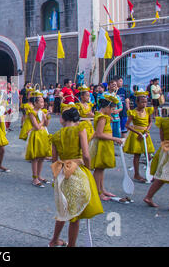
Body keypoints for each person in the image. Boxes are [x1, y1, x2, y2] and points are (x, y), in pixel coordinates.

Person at [48, 107, 103, 247]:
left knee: (63, 209)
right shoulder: (80, 129)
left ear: (63, 120)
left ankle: (54, 240)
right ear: (77, 119)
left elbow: (54, 161)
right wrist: (88, 168)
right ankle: (71, 245)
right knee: (75, 216)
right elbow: (86, 155)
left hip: (62, 173)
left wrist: (56, 177)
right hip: (77, 171)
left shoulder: (56, 135)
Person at [89, 94, 123, 201]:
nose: (113, 111)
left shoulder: (104, 117)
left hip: (106, 143)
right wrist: (115, 139)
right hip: (102, 144)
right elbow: (99, 133)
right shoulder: (102, 118)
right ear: (106, 107)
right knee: (99, 169)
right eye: (112, 109)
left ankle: (102, 189)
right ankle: (97, 191)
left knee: (102, 168)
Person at [123, 90, 155, 183]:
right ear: (137, 102)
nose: (144, 104)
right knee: (137, 155)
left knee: (148, 154)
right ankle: (137, 174)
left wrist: (146, 131)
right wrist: (138, 133)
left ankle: (151, 174)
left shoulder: (148, 110)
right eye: (142, 102)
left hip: (145, 134)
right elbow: (127, 125)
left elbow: (150, 122)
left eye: (146, 102)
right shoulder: (133, 112)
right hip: (137, 134)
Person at [143, 113, 169, 209]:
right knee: (165, 177)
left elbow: (162, 138)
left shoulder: (163, 121)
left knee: (162, 177)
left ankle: (149, 196)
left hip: (166, 149)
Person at [24, 92, 51, 187]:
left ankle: (39, 176)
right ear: (35, 103)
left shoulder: (42, 112)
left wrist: (47, 117)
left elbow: (46, 125)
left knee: (42, 156)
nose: (42, 104)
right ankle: (35, 177)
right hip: (36, 134)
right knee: (35, 157)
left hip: (43, 134)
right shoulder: (32, 112)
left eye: (43, 102)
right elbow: (36, 126)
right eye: (40, 102)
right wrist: (43, 120)